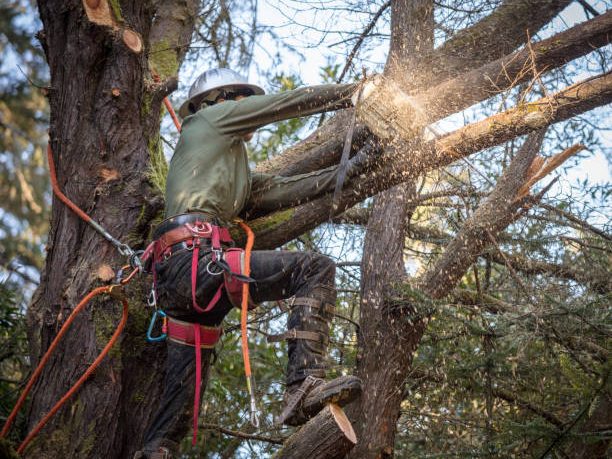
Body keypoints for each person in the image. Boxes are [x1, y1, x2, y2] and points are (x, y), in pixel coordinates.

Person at [135, 68, 364, 459]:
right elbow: (279, 106)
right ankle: (303, 383)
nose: (249, 109)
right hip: (194, 262)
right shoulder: (208, 118)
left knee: (176, 411)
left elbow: (285, 191)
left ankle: (156, 450)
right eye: (244, 100)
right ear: (222, 98)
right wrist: (354, 93)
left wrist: (357, 165)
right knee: (314, 268)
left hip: (189, 278)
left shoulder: (230, 166)